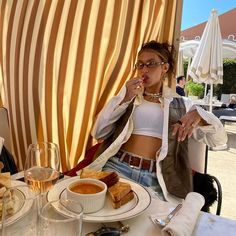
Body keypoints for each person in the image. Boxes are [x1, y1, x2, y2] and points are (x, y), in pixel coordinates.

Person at [86, 41, 227, 204]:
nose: (144, 70)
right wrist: (123, 99)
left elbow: (219, 140)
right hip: (118, 168)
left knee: (145, 226)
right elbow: (98, 133)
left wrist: (201, 116)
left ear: (164, 68)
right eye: (140, 65)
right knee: (100, 215)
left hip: (156, 179)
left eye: (151, 64)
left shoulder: (182, 104)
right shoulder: (129, 97)